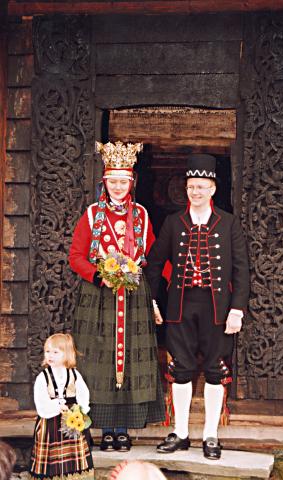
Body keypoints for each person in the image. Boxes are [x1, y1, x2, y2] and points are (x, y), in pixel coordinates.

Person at [145, 154, 249, 460]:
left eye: (202, 186)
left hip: (218, 307)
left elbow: (241, 269)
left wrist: (237, 309)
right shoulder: (173, 222)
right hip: (180, 305)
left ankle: (211, 435)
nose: (196, 192)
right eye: (192, 186)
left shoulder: (228, 223)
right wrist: (152, 300)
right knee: (181, 370)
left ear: (213, 189)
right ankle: (180, 432)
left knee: (216, 370)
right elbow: (154, 263)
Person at [69, 141, 165, 452]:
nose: (118, 187)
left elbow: (152, 254)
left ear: (131, 183)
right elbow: (76, 256)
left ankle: (122, 430)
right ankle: (104, 428)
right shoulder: (92, 214)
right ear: (105, 182)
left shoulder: (142, 215)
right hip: (98, 296)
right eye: (113, 181)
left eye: (124, 182)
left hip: (133, 295)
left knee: (129, 361)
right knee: (101, 360)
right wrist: (99, 275)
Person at [29, 333, 94, 480]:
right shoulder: (43, 377)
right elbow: (41, 403)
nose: (50, 355)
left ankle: (74, 476)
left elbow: (84, 395)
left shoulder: (74, 374)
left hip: (72, 420)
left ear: (67, 354)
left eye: (55, 352)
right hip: (50, 423)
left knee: (73, 452)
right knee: (53, 455)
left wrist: (80, 411)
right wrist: (57, 406)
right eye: (47, 351)